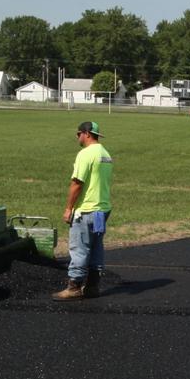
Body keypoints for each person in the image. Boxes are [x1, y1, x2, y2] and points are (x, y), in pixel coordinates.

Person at [52, 121, 114, 301]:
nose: (77, 137)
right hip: (102, 210)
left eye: (78, 134)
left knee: (79, 248)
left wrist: (68, 208)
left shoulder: (85, 154)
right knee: (96, 247)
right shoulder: (105, 153)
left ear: (86, 134)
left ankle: (74, 287)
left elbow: (77, 183)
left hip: (86, 210)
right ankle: (93, 286)